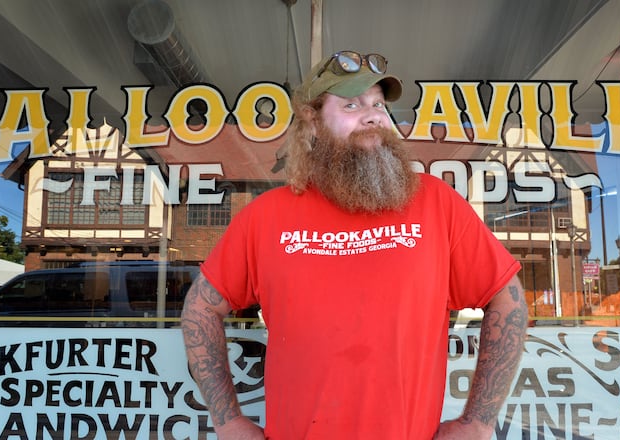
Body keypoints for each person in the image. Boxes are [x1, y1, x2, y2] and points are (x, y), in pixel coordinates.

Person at [182, 50, 528, 440]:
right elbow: (201, 308)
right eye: (351, 104)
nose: (373, 116)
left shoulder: (436, 203)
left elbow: (507, 299)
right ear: (312, 122)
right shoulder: (265, 217)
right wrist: (228, 421)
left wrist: (478, 421)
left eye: (378, 104)